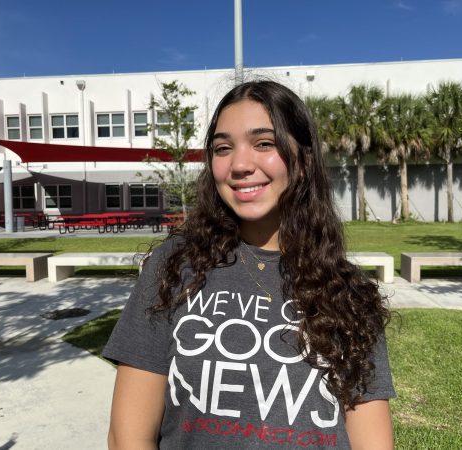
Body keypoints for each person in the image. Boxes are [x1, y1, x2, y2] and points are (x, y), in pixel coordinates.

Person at [103, 80, 395, 450]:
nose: (240, 164)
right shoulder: (175, 267)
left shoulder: (348, 290)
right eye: (223, 148)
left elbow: (372, 439)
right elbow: (127, 437)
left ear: (303, 161)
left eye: (264, 143)